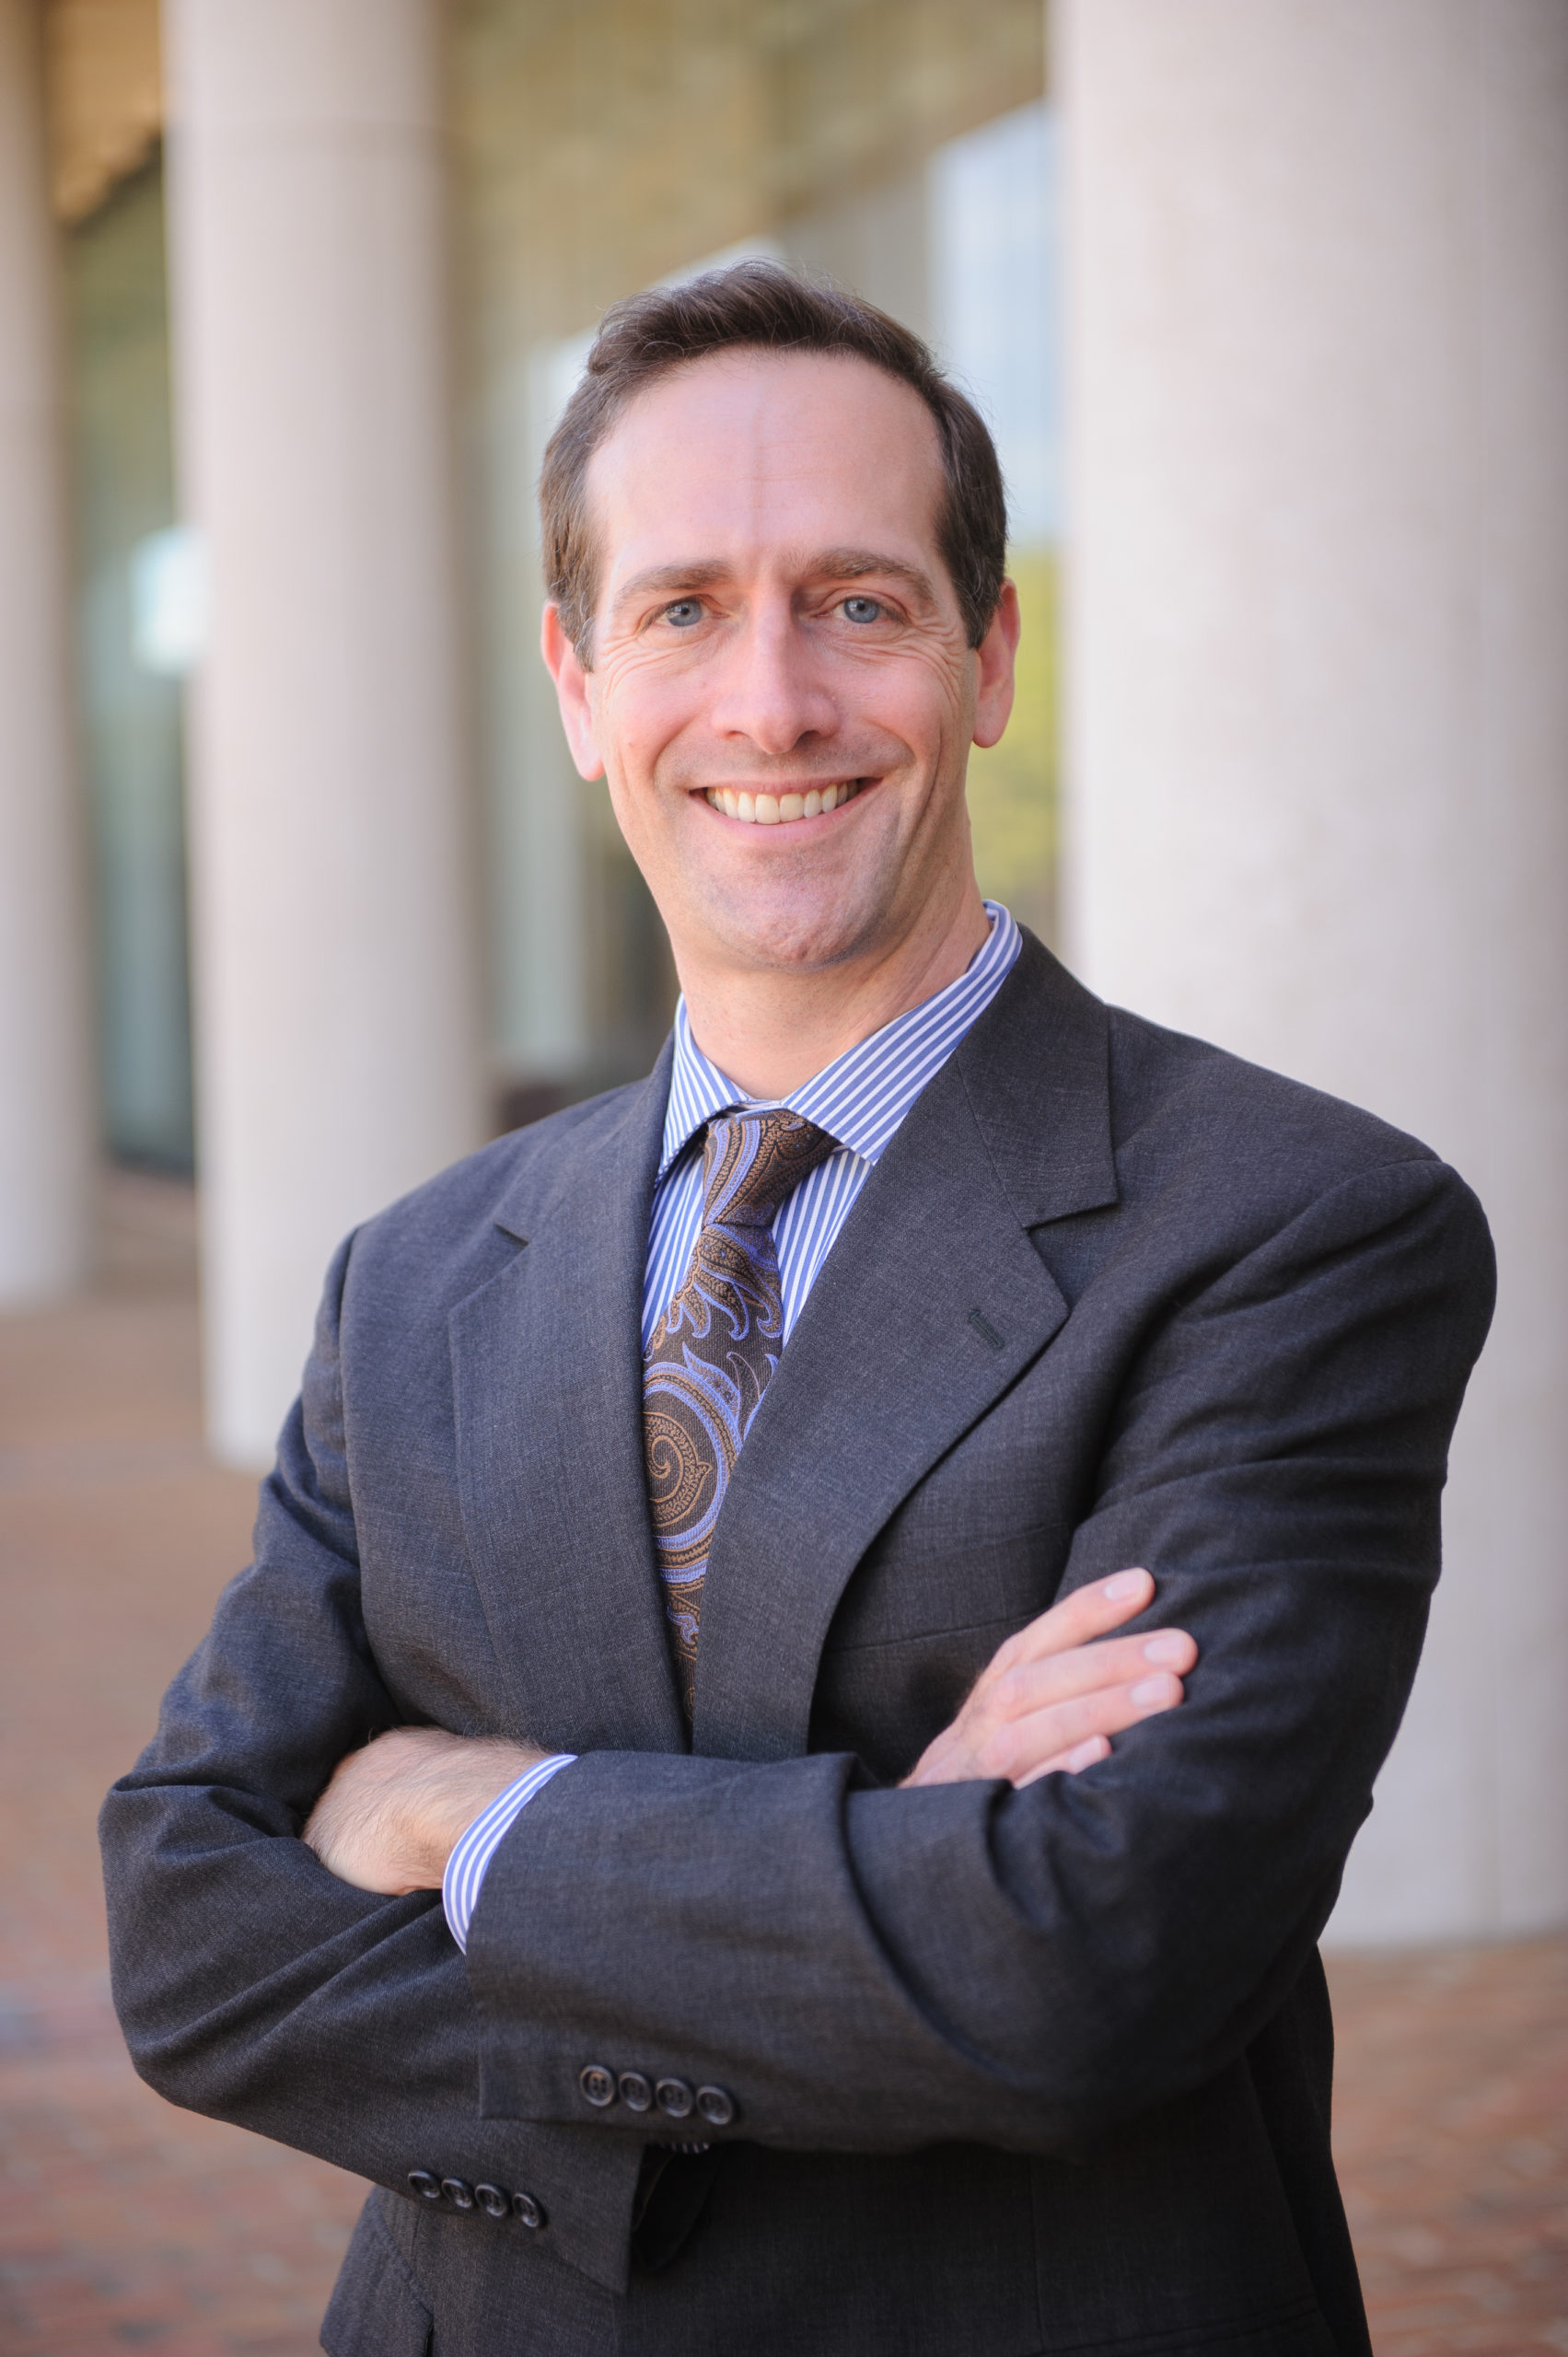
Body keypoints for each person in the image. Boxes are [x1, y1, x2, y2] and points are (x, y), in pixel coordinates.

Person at [100, 263, 1494, 2357]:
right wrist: (877, 1872)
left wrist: (473, 1808)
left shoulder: (1295, 1227)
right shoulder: (414, 1275)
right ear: (577, 686)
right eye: (682, 609)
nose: (770, 703)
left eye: (856, 600)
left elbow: (1086, 1966)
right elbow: (191, 1933)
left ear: (987, 654)